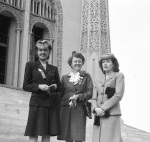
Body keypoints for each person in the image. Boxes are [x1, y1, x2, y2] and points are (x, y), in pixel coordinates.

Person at [23, 39, 61, 142]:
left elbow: (60, 87)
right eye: (40, 50)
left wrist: (55, 86)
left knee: (46, 134)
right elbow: (25, 86)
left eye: (45, 50)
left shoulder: (54, 69)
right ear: (37, 52)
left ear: (49, 52)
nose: (42, 52)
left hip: (50, 104)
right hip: (36, 103)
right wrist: (39, 87)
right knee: (33, 132)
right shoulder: (30, 65)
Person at [57, 52, 93, 142]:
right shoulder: (64, 78)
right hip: (65, 109)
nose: (77, 63)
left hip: (79, 108)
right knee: (67, 137)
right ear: (71, 63)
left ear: (82, 63)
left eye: (80, 61)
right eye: (75, 61)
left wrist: (79, 96)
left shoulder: (86, 76)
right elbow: (60, 94)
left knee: (78, 137)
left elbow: (90, 92)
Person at [91, 53, 125, 142]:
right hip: (98, 115)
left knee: (112, 139)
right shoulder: (98, 80)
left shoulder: (118, 76)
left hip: (111, 114)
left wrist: (102, 108)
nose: (105, 64)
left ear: (113, 64)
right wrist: (95, 109)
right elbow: (94, 98)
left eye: (108, 62)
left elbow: (118, 95)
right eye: (103, 62)